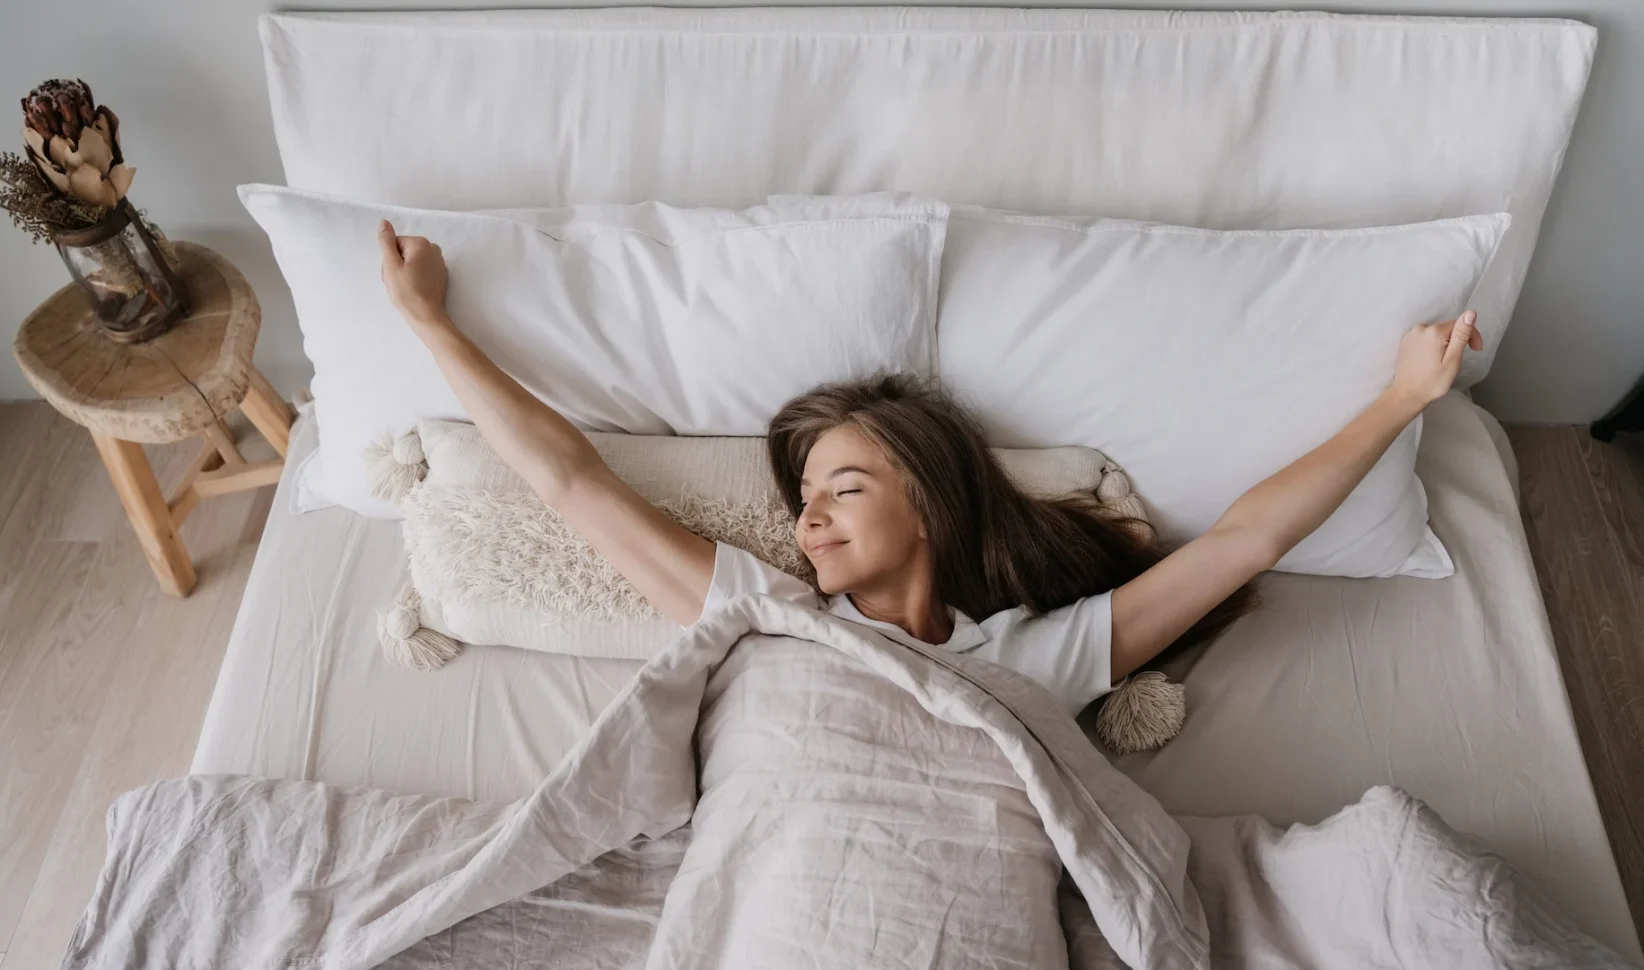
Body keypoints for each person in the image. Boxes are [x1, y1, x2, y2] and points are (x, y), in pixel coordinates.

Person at [376, 220, 1484, 716]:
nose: (807, 524)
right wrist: (431, 327)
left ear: (931, 506)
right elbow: (574, 485)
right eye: (804, 502)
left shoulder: (1037, 658)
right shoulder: (762, 614)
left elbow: (1248, 540)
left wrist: (1400, 400)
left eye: (843, 489)